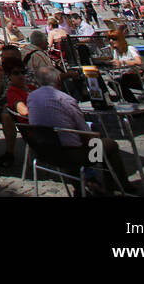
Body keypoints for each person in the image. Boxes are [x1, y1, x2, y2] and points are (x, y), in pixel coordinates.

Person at [27, 66, 135, 194]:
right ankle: (116, 186)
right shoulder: (65, 99)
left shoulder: (31, 97)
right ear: (58, 79)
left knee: (72, 142)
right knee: (110, 145)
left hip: (44, 151)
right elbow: (85, 133)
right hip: (71, 155)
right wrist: (94, 138)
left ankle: (85, 185)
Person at [103, 25, 144, 100]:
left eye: (114, 39)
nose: (111, 41)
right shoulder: (116, 51)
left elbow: (139, 61)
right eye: (109, 39)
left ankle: (131, 101)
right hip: (125, 76)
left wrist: (123, 62)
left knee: (119, 82)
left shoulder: (130, 48)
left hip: (138, 76)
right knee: (112, 83)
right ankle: (129, 100)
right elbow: (117, 63)